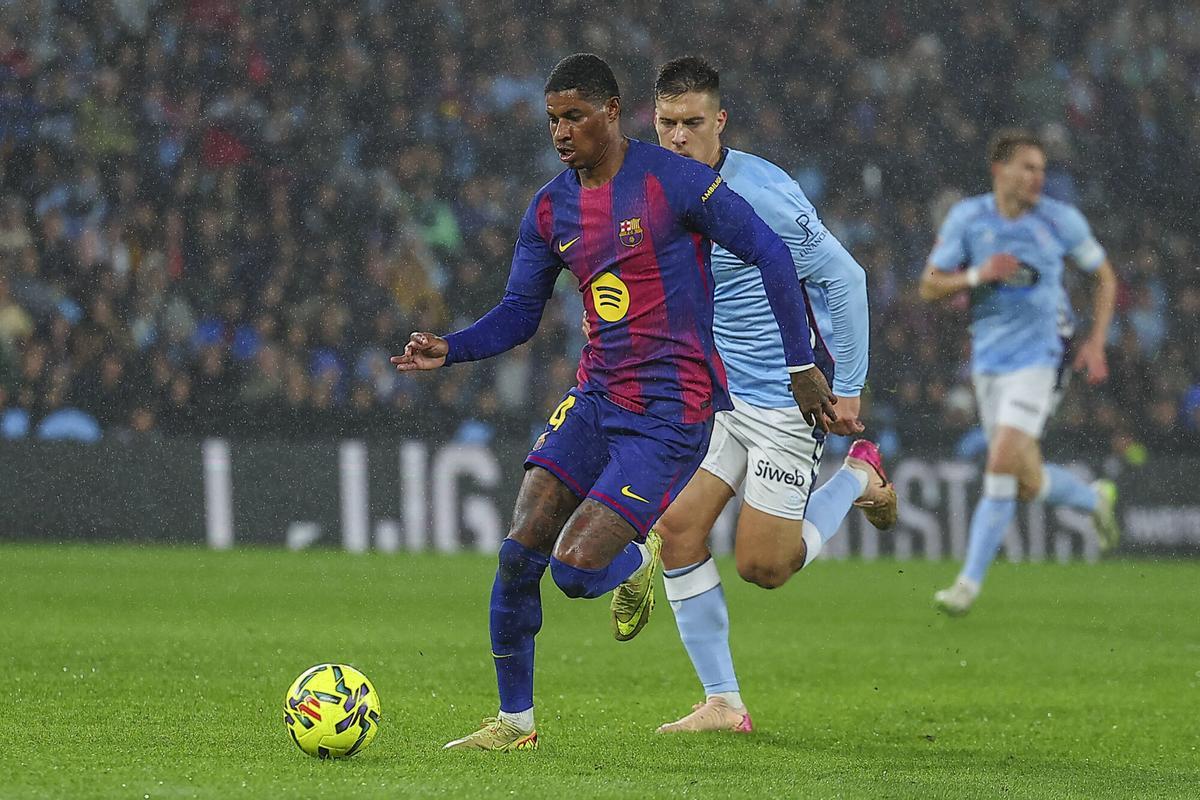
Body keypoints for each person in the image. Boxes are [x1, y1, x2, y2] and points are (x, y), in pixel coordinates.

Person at [392, 53, 836, 751]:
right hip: (597, 398)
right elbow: (519, 312)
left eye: (574, 116)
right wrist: (451, 347)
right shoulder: (550, 208)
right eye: (552, 120)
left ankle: (638, 560)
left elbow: (771, 254)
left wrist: (800, 363)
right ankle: (514, 724)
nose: (561, 132)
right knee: (518, 552)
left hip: (671, 414)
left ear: (612, 112)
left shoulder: (674, 181)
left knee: (574, 571)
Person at [615, 56, 897, 734]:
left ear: (720, 121)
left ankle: (857, 478)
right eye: (666, 123)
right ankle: (723, 702)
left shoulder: (763, 193)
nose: (678, 137)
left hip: (782, 400)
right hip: (715, 396)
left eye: (692, 123)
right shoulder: (653, 189)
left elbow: (845, 278)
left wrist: (848, 388)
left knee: (764, 567)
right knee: (677, 530)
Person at [918, 128, 1121, 617]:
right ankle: (1093, 499)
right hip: (989, 363)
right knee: (1025, 481)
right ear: (1000, 169)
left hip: (1043, 357)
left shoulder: (1059, 220)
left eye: (1041, 169)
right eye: (1028, 167)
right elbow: (928, 286)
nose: (1037, 177)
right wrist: (977, 275)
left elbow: (1104, 276)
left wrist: (1096, 341)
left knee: (1001, 461)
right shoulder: (969, 218)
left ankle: (966, 586)